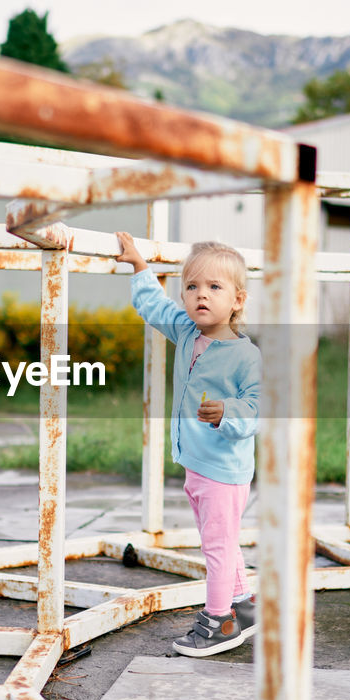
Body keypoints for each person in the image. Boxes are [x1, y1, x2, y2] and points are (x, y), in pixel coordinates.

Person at [115, 231, 261, 657]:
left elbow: (256, 408)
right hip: (197, 466)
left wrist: (226, 414)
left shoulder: (244, 355)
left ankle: (219, 622)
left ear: (237, 300)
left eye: (214, 287)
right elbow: (154, 307)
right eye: (192, 286)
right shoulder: (186, 332)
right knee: (224, 541)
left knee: (216, 547)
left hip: (224, 470)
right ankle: (243, 609)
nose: (201, 295)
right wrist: (140, 267)